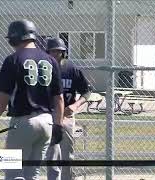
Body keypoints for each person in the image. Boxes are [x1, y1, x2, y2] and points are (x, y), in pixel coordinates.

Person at [0, 19, 64, 180]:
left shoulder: (13, 59)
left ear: (15, 38)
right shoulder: (51, 60)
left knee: (11, 173)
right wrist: (58, 125)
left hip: (23, 123)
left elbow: (2, 99)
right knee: (31, 175)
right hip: (47, 123)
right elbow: (59, 99)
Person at [45, 37, 92, 180]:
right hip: (47, 116)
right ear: (47, 52)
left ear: (64, 52)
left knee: (67, 154)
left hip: (66, 116)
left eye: (58, 52)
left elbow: (87, 91)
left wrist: (76, 105)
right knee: (51, 154)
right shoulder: (42, 69)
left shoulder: (71, 69)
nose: (55, 54)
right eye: (52, 51)